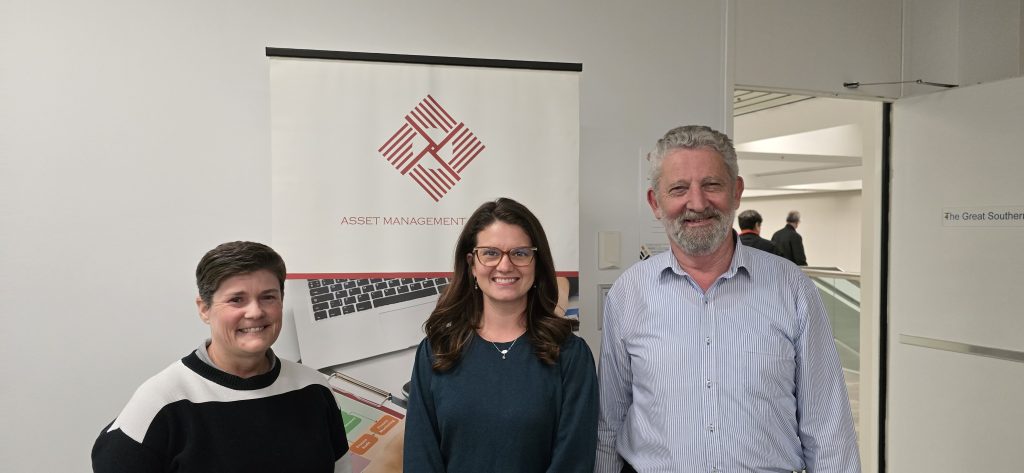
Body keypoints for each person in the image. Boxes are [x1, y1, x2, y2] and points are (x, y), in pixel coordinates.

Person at [596, 126, 859, 472]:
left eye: (712, 185)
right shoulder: (628, 294)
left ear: (736, 192)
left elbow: (829, 430)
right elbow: (609, 426)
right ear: (655, 203)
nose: (697, 203)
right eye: (678, 189)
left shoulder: (792, 289)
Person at [92, 241, 351, 473]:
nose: (255, 312)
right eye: (237, 300)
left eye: (268, 297)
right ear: (204, 309)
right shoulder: (162, 401)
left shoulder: (315, 388)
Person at [403, 197, 598, 473]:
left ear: (536, 263)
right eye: (491, 253)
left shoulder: (570, 355)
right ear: (472, 264)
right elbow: (420, 458)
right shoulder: (437, 350)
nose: (505, 266)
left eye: (520, 253)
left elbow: (574, 461)